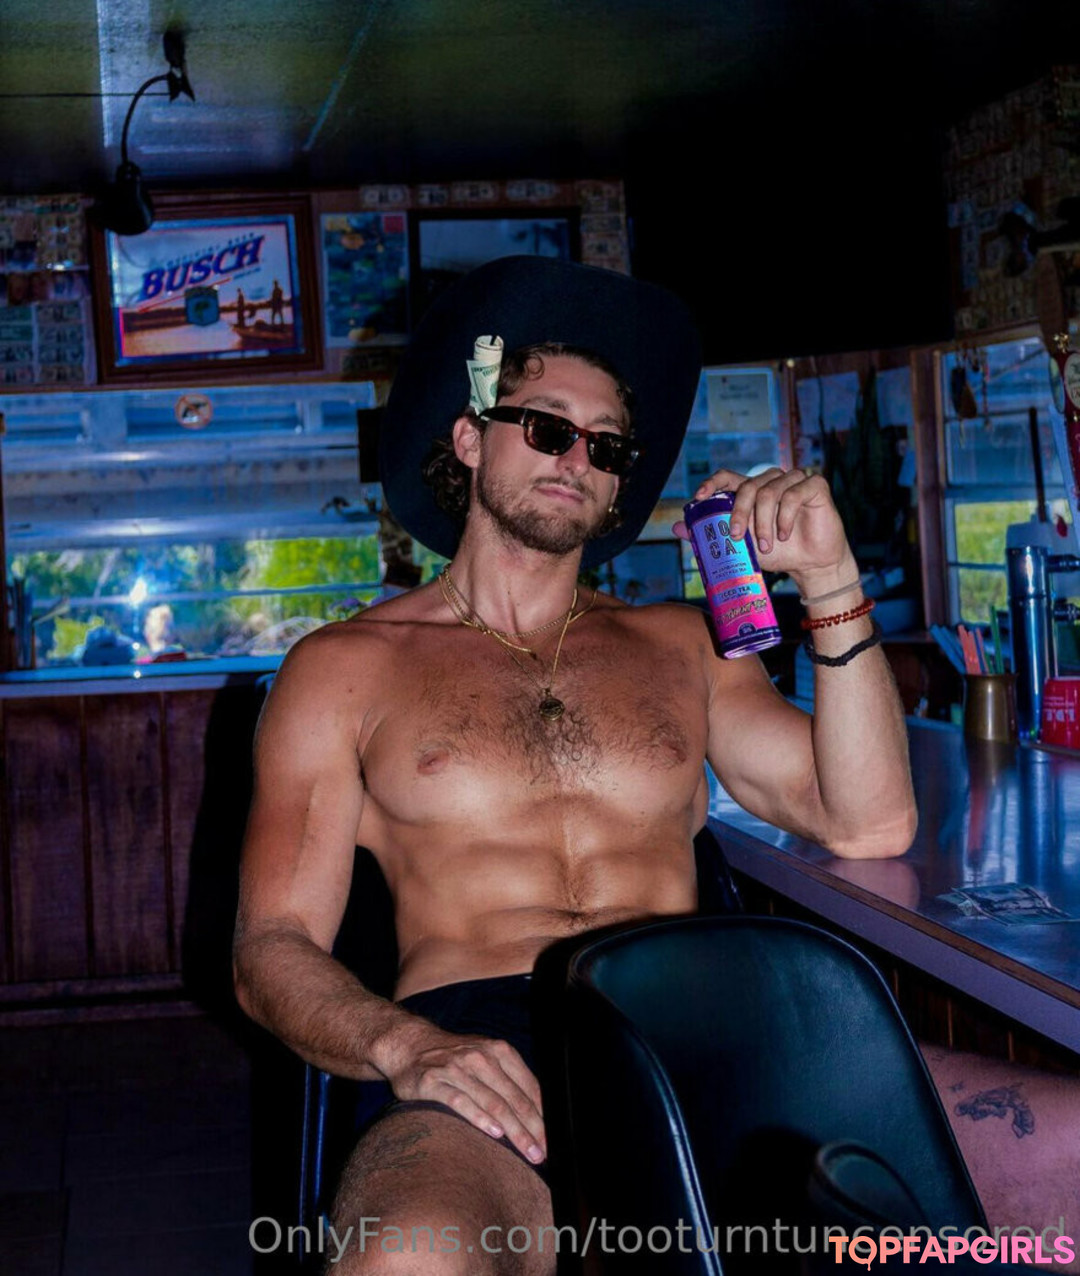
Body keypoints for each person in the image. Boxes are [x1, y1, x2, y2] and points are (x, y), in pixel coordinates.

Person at [234, 258, 1076, 1274]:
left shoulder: (685, 644)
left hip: (720, 1028)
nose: (575, 458)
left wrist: (830, 579)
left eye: (606, 445)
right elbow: (271, 945)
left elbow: (867, 820)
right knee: (407, 1256)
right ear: (469, 437)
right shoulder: (342, 669)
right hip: (487, 1048)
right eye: (545, 426)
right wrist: (405, 1046)